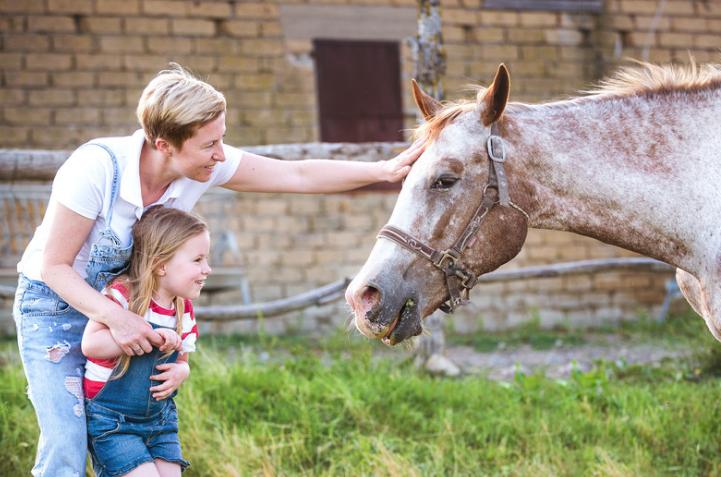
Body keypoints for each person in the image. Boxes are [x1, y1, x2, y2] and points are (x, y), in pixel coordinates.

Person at [13, 63, 424, 477]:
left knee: (121, 440)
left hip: (132, 306)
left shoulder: (201, 167)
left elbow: (295, 173)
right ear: (164, 144)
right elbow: (55, 267)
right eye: (210, 144)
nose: (221, 154)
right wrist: (116, 319)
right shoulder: (96, 170)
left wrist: (382, 171)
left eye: (222, 139)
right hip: (58, 308)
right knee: (66, 444)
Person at [82, 206, 206, 477]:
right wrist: (147, 335)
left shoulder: (182, 308)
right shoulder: (124, 295)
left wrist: (181, 372)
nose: (207, 269)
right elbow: (91, 345)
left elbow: (183, 360)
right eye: (197, 260)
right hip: (113, 420)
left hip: (160, 420)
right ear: (161, 264)